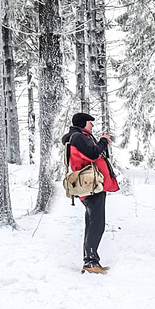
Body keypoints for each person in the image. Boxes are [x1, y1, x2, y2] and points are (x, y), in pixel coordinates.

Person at [62, 112, 119, 274]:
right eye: (90, 122)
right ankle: (90, 262)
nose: (92, 125)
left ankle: (91, 259)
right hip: (91, 186)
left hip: (92, 186)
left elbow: (95, 153)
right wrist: (102, 141)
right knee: (96, 224)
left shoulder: (80, 137)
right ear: (82, 123)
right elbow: (93, 154)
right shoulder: (78, 137)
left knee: (92, 223)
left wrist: (102, 143)